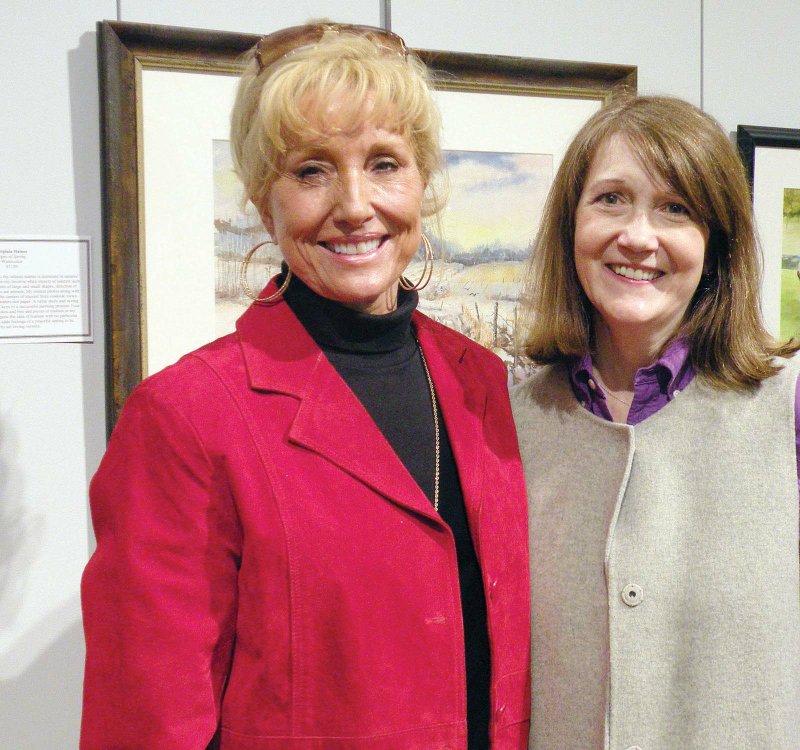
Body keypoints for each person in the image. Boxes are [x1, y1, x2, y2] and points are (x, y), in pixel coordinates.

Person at [80, 22, 530, 750]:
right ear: (265, 201)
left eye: (384, 163)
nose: (354, 205)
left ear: (422, 183)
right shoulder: (184, 417)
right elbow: (144, 721)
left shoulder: (483, 383)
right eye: (312, 171)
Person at [512, 95, 800, 748]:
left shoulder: (787, 410)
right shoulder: (510, 425)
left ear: (715, 243)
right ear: (570, 225)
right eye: (611, 198)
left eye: (675, 208)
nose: (638, 236)